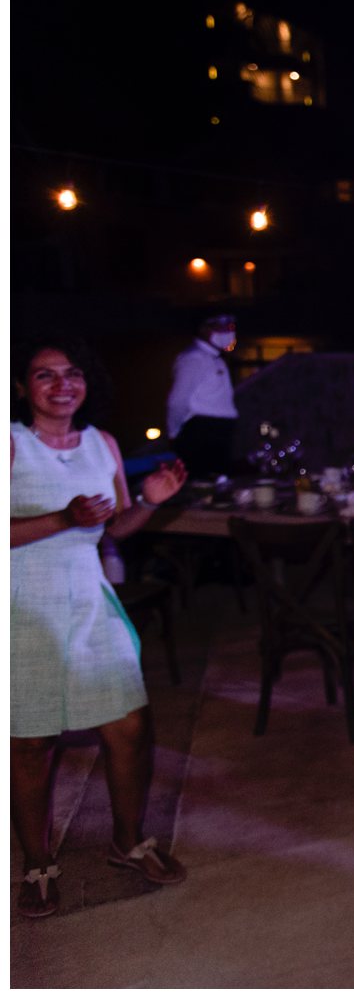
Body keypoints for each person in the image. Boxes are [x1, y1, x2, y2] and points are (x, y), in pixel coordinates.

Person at [13, 337, 190, 918]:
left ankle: (126, 841)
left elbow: (115, 529)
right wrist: (62, 518)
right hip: (21, 604)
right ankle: (37, 863)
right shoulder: (11, 444)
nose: (62, 384)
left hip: (90, 597)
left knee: (130, 726)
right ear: (21, 387)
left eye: (72, 373)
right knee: (33, 742)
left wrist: (149, 498)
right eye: (45, 375)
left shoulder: (102, 443)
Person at [166, 312, 239, 476]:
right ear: (204, 329)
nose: (228, 332)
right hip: (201, 431)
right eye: (221, 327)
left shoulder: (216, 358)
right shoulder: (193, 358)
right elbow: (177, 400)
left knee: (221, 483)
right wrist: (173, 432)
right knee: (203, 484)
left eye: (231, 326)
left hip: (220, 431)